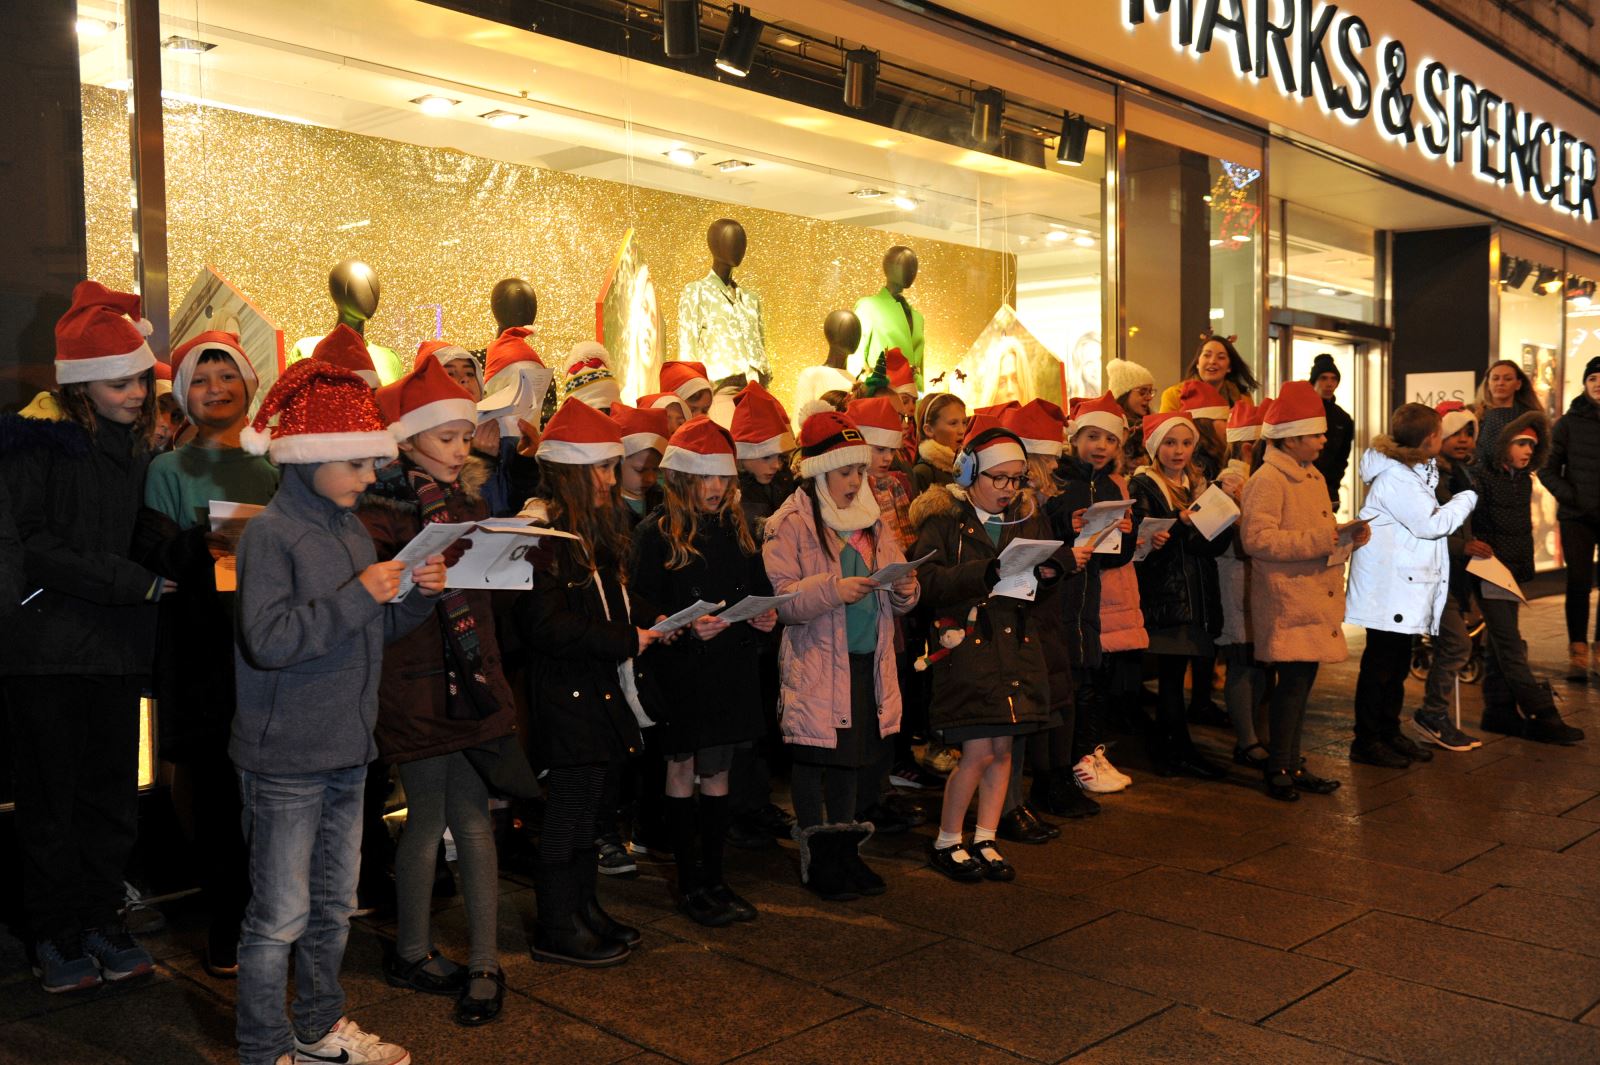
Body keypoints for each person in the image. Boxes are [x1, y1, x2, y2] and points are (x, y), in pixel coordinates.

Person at [231, 358, 446, 1065]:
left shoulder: (350, 530)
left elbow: (367, 631)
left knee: (332, 908)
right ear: (309, 459)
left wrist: (415, 596)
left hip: (348, 753)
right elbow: (269, 641)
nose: (366, 476)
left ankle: (318, 1027)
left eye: (370, 462)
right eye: (354, 463)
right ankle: (264, 1049)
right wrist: (362, 592)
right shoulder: (270, 534)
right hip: (286, 757)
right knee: (279, 916)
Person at [1, 282, 164, 994]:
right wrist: (129, 582)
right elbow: (30, 541)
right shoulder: (36, 443)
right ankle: (55, 933)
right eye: (124, 381)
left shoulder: (132, 446)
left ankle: (100, 920)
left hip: (113, 651)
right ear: (84, 383)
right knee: (51, 802)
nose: (137, 392)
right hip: (45, 653)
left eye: (142, 380)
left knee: (109, 798)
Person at [360, 359, 522, 1026]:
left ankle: (484, 959)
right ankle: (412, 948)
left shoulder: (471, 503)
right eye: (449, 437)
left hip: (468, 681)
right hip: (417, 685)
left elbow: (479, 596)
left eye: (466, 435)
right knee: (428, 816)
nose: (462, 448)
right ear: (409, 438)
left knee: (476, 815)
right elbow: (377, 600)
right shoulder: (380, 509)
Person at [140, 330, 276, 980]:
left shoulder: (276, 466)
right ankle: (228, 919)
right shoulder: (167, 470)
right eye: (201, 378)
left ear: (249, 385)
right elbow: (159, 558)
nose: (216, 388)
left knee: (274, 790)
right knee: (217, 791)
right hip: (202, 650)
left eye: (227, 376)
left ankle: (276, 913)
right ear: (182, 393)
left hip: (273, 644)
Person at [513, 398, 661, 967]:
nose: (610, 478)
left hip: (593, 688)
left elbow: (614, 601)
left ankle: (583, 909)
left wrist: (666, 619)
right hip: (562, 694)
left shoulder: (588, 529)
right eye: (601, 468)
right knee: (568, 810)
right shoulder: (542, 534)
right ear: (573, 471)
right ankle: (556, 924)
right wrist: (628, 638)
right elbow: (547, 626)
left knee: (591, 807)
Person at [912, 423, 1079, 884]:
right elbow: (926, 584)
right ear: (968, 473)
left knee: (1003, 749)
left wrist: (1045, 575)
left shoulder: (1025, 516)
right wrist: (987, 572)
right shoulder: (944, 519)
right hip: (968, 650)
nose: (1009, 489)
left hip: (1017, 647)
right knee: (977, 752)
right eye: (998, 478)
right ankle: (948, 838)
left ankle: (985, 836)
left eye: (1017, 478)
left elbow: (1044, 578)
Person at [763, 408, 919, 900]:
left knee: (854, 762)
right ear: (818, 472)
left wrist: (905, 590)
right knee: (816, 762)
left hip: (866, 660)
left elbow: (896, 571)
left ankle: (848, 854)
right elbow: (782, 600)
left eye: (859, 470)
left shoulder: (871, 519)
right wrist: (833, 589)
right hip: (816, 665)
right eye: (846, 471)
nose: (857, 480)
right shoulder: (790, 522)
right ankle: (819, 859)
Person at [631, 416, 776, 924]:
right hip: (682, 671)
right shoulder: (656, 532)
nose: (716, 489)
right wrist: (673, 624)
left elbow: (755, 586)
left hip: (730, 668)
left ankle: (716, 879)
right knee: (683, 767)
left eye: (722, 479)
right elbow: (639, 599)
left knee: (719, 774)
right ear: (683, 480)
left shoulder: (738, 529)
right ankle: (690, 884)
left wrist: (763, 614)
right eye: (705, 479)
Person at [1240, 382, 1361, 801]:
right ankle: (1279, 767)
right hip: (1287, 597)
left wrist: (1344, 539)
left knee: (1301, 684)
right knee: (1290, 686)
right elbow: (1257, 539)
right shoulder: (1269, 479)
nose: (1324, 440)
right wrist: (1324, 538)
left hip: (1309, 593)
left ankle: (1291, 761)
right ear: (1292, 437)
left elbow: (1314, 535)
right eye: (1317, 433)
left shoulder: (1310, 474)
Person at [1344, 403, 1477, 768]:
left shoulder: (1410, 470)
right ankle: (1367, 739)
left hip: (1402, 582)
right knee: (1381, 664)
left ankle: (1388, 731)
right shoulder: (1396, 478)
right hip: (1387, 587)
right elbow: (1430, 525)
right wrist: (1467, 498)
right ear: (1431, 438)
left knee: (1398, 661)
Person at [1470, 413, 1585, 744]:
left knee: (1501, 640)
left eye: (1532, 445)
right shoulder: (1481, 478)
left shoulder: (1521, 479)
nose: (1527, 451)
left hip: (1510, 571)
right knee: (1509, 643)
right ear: (1500, 443)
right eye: (1520, 443)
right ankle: (1542, 713)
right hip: (1489, 568)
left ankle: (1499, 710)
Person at [1128, 411, 1231, 779]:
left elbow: (1210, 547)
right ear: (1156, 447)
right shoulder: (1144, 485)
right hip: (1166, 594)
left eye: (1186, 443)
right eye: (1170, 443)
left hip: (1196, 593)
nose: (1179, 451)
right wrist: (1179, 522)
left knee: (1178, 673)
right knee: (1170, 676)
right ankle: (1174, 751)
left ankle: (1178, 747)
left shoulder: (1197, 483)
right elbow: (1139, 543)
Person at [1047, 394, 1137, 814]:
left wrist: (1126, 533)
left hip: (1089, 597)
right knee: (1064, 684)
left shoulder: (1111, 485)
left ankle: (1081, 759)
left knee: (1086, 679)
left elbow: (1113, 557)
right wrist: (1069, 526)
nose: (1100, 446)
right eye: (1092, 437)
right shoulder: (1057, 480)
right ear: (1074, 438)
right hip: (1058, 597)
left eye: (1110, 440)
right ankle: (1057, 773)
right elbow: (1044, 536)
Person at [1412, 402, 1484, 751]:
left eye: (1469, 433)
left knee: (1455, 643)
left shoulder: (1461, 473)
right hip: (1431, 573)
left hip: (1451, 574)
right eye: (1455, 433)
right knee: (1457, 643)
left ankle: (1433, 715)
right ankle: (1431, 714)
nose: (1464, 440)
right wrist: (1463, 547)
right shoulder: (1430, 475)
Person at [1538, 357, 1600, 682]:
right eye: (1593, 378)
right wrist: (1573, 497)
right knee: (1578, 583)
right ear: (1585, 383)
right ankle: (1577, 650)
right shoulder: (1567, 423)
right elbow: (1546, 469)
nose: (1598, 383)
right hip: (1576, 515)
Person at [1217, 397, 1271, 770]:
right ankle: (1247, 738)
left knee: (1259, 660)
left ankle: (1258, 734)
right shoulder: (1229, 482)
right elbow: (1222, 538)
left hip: (1258, 578)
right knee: (1242, 660)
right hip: (1236, 579)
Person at [1158, 332, 1258, 412]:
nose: (1212, 361)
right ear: (1197, 362)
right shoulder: (1174, 396)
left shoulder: (1243, 399)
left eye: (1221, 357)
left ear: (1229, 367)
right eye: (1207, 355)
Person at [1473, 359, 1542, 467]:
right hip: (1479, 477)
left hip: (1517, 478)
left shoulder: (1530, 417)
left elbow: (1539, 455)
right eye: (1495, 379)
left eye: (1508, 379)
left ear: (1518, 384)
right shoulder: (1475, 415)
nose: (1500, 383)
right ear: (1488, 383)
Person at [1308, 354, 1356, 508]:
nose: (1329, 383)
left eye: (1333, 379)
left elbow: (1342, 458)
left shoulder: (1343, 418)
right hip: (1302, 484)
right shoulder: (1303, 413)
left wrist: (1334, 485)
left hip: (1329, 489)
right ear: (1314, 380)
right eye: (1323, 378)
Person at [610, 401, 669, 526]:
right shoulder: (606, 506)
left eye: (656, 470)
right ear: (617, 462)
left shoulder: (664, 501)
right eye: (640, 470)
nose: (651, 479)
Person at [911, 392, 967, 496]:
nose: (962, 430)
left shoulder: (968, 467)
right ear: (929, 430)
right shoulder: (923, 472)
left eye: (964, 422)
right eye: (953, 423)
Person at [1105, 356, 1156, 466]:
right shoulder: (1113, 428)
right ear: (1124, 394)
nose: (1149, 397)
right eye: (1142, 392)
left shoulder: (1150, 425)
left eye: (1150, 392)